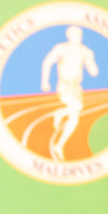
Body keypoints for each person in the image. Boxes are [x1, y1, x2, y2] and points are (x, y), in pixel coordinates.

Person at [41, 25, 98, 161]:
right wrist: (45, 81)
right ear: (68, 36)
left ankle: (59, 146)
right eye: (73, 34)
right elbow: (47, 62)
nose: (76, 37)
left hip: (77, 87)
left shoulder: (85, 51)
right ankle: (58, 113)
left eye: (78, 34)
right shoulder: (61, 48)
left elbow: (93, 71)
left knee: (74, 119)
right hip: (65, 84)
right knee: (77, 107)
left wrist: (91, 62)